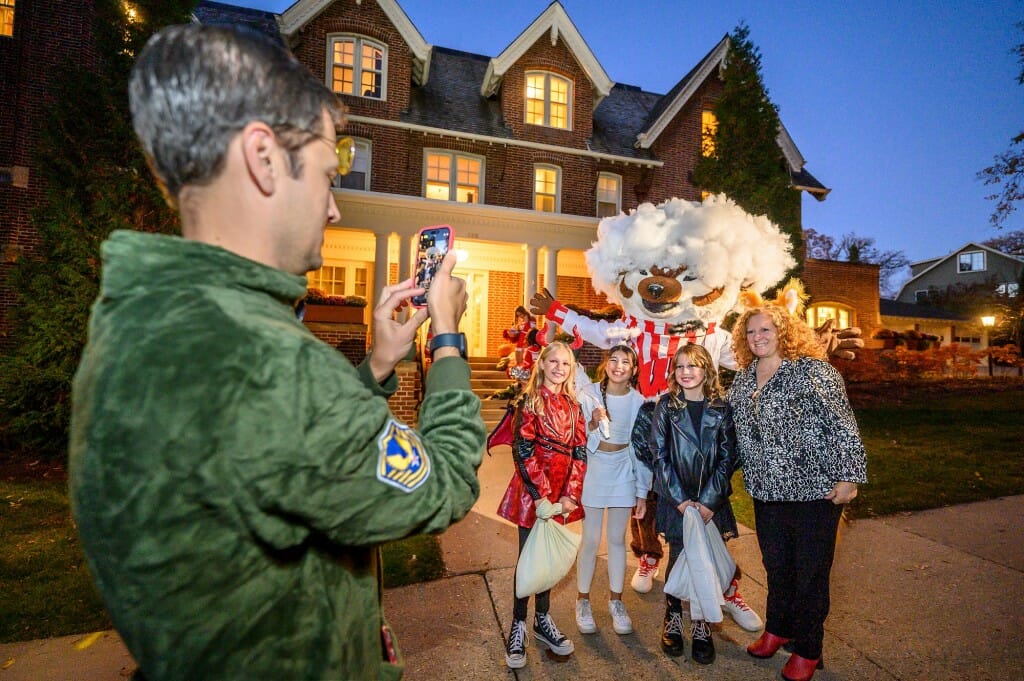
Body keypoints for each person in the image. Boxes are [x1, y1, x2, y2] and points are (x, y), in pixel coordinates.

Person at [68, 24, 485, 681]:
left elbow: (288, 450)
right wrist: (448, 337)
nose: (335, 209)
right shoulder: (266, 364)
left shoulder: (148, 318)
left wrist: (376, 368)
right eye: (326, 174)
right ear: (263, 159)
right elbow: (448, 483)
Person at [728, 304, 867, 681]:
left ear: (783, 332)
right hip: (766, 490)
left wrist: (849, 475)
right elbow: (737, 434)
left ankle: (808, 648)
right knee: (777, 567)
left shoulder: (812, 371)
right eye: (751, 332)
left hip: (813, 492)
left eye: (765, 330)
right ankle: (779, 628)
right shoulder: (743, 379)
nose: (758, 337)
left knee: (810, 573)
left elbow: (842, 424)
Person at [639, 343, 738, 665]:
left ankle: (701, 624)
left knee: (705, 560)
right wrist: (681, 500)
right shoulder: (666, 407)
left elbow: (728, 458)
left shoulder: (722, 409)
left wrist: (709, 501)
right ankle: (673, 616)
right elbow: (659, 455)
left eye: (693, 366)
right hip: (676, 499)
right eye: (680, 366)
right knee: (680, 557)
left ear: (707, 370)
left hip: (712, 502)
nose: (686, 372)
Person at [496, 340, 587, 669]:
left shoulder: (574, 408)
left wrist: (570, 495)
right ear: (543, 364)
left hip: (562, 498)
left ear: (570, 369)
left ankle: (543, 620)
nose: (559, 368)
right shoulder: (530, 401)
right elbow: (523, 450)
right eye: (554, 362)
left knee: (548, 561)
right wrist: (542, 497)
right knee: (528, 561)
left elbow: (579, 453)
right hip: (533, 496)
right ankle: (519, 623)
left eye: (566, 363)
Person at [574, 345, 650, 637]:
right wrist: (592, 423)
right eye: (614, 360)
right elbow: (577, 438)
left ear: (633, 370)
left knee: (617, 539)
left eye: (626, 362)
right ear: (605, 364)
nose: (619, 366)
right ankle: (582, 601)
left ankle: (616, 602)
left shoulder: (639, 402)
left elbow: (641, 451)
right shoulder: (588, 394)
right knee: (591, 540)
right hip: (594, 470)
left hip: (623, 473)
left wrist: (642, 491)